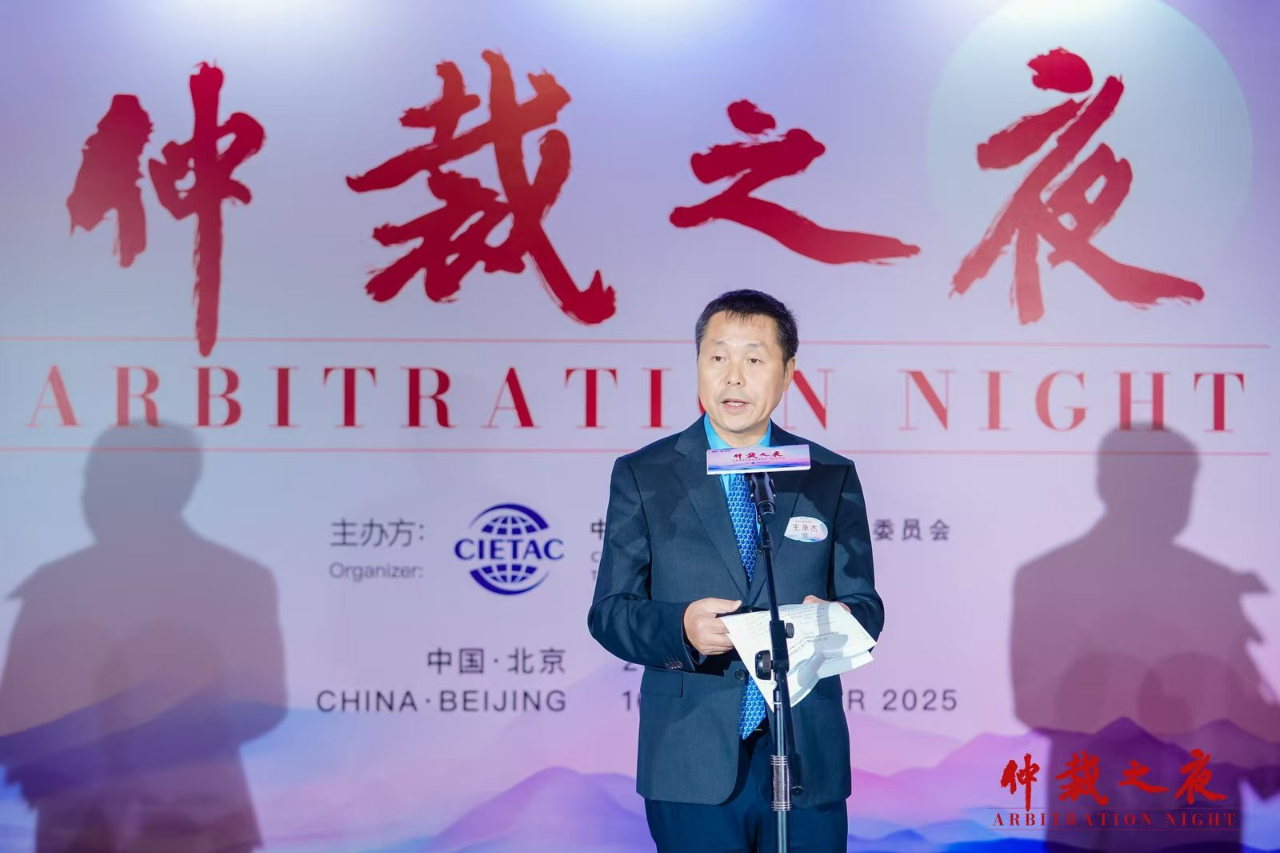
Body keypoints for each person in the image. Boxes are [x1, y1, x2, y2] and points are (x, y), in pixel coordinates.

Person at [588, 289, 884, 852]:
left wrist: (835, 622)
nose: (734, 376)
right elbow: (609, 613)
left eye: (754, 358)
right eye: (718, 356)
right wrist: (682, 629)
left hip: (806, 754)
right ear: (698, 365)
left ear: (788, 373)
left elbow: (865, 605)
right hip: (690, 758)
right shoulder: (645, 474)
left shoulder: (828, 475)